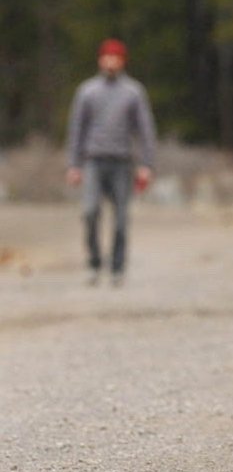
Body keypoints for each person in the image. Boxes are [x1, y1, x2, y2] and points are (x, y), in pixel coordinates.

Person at [65, 38, 157, 286]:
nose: (111, 61)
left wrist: (146, 164)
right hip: (93, 161)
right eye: (107, 56)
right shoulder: (87, 91)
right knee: (90, 212)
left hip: (122, 163)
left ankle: (117, 268)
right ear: (100, 59)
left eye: (115, 57)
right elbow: (77, 129)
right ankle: (94, 263)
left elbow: (145, 130)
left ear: (122, 61)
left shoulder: (133, 92)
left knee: (120, 219)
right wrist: (73, 164)